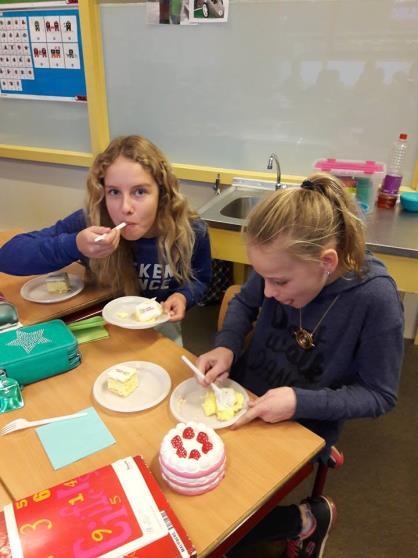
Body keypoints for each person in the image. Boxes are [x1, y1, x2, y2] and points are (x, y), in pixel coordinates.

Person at [196, 173, 404, 557]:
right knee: (191, 483)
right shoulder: (282, 262)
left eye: (279, 282)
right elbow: (244, 301)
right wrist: (226, 347)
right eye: (264, 278)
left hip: (304, 423)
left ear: (327, 261)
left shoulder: (376, 301)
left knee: (214, 526)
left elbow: (380, 395)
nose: (269, 293)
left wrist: (300, 402)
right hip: (245, 395)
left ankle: (307, 520)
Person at [0, 135, 212, 343]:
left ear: (162, 193)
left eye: (139, 192)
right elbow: (8, 256)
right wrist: (74, 245)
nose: (125, 208)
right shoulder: (92, 221)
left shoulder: (190, 230)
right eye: (114, 192)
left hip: (159, 330)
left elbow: (200, 279)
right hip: (104, 331)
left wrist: (183, 296)